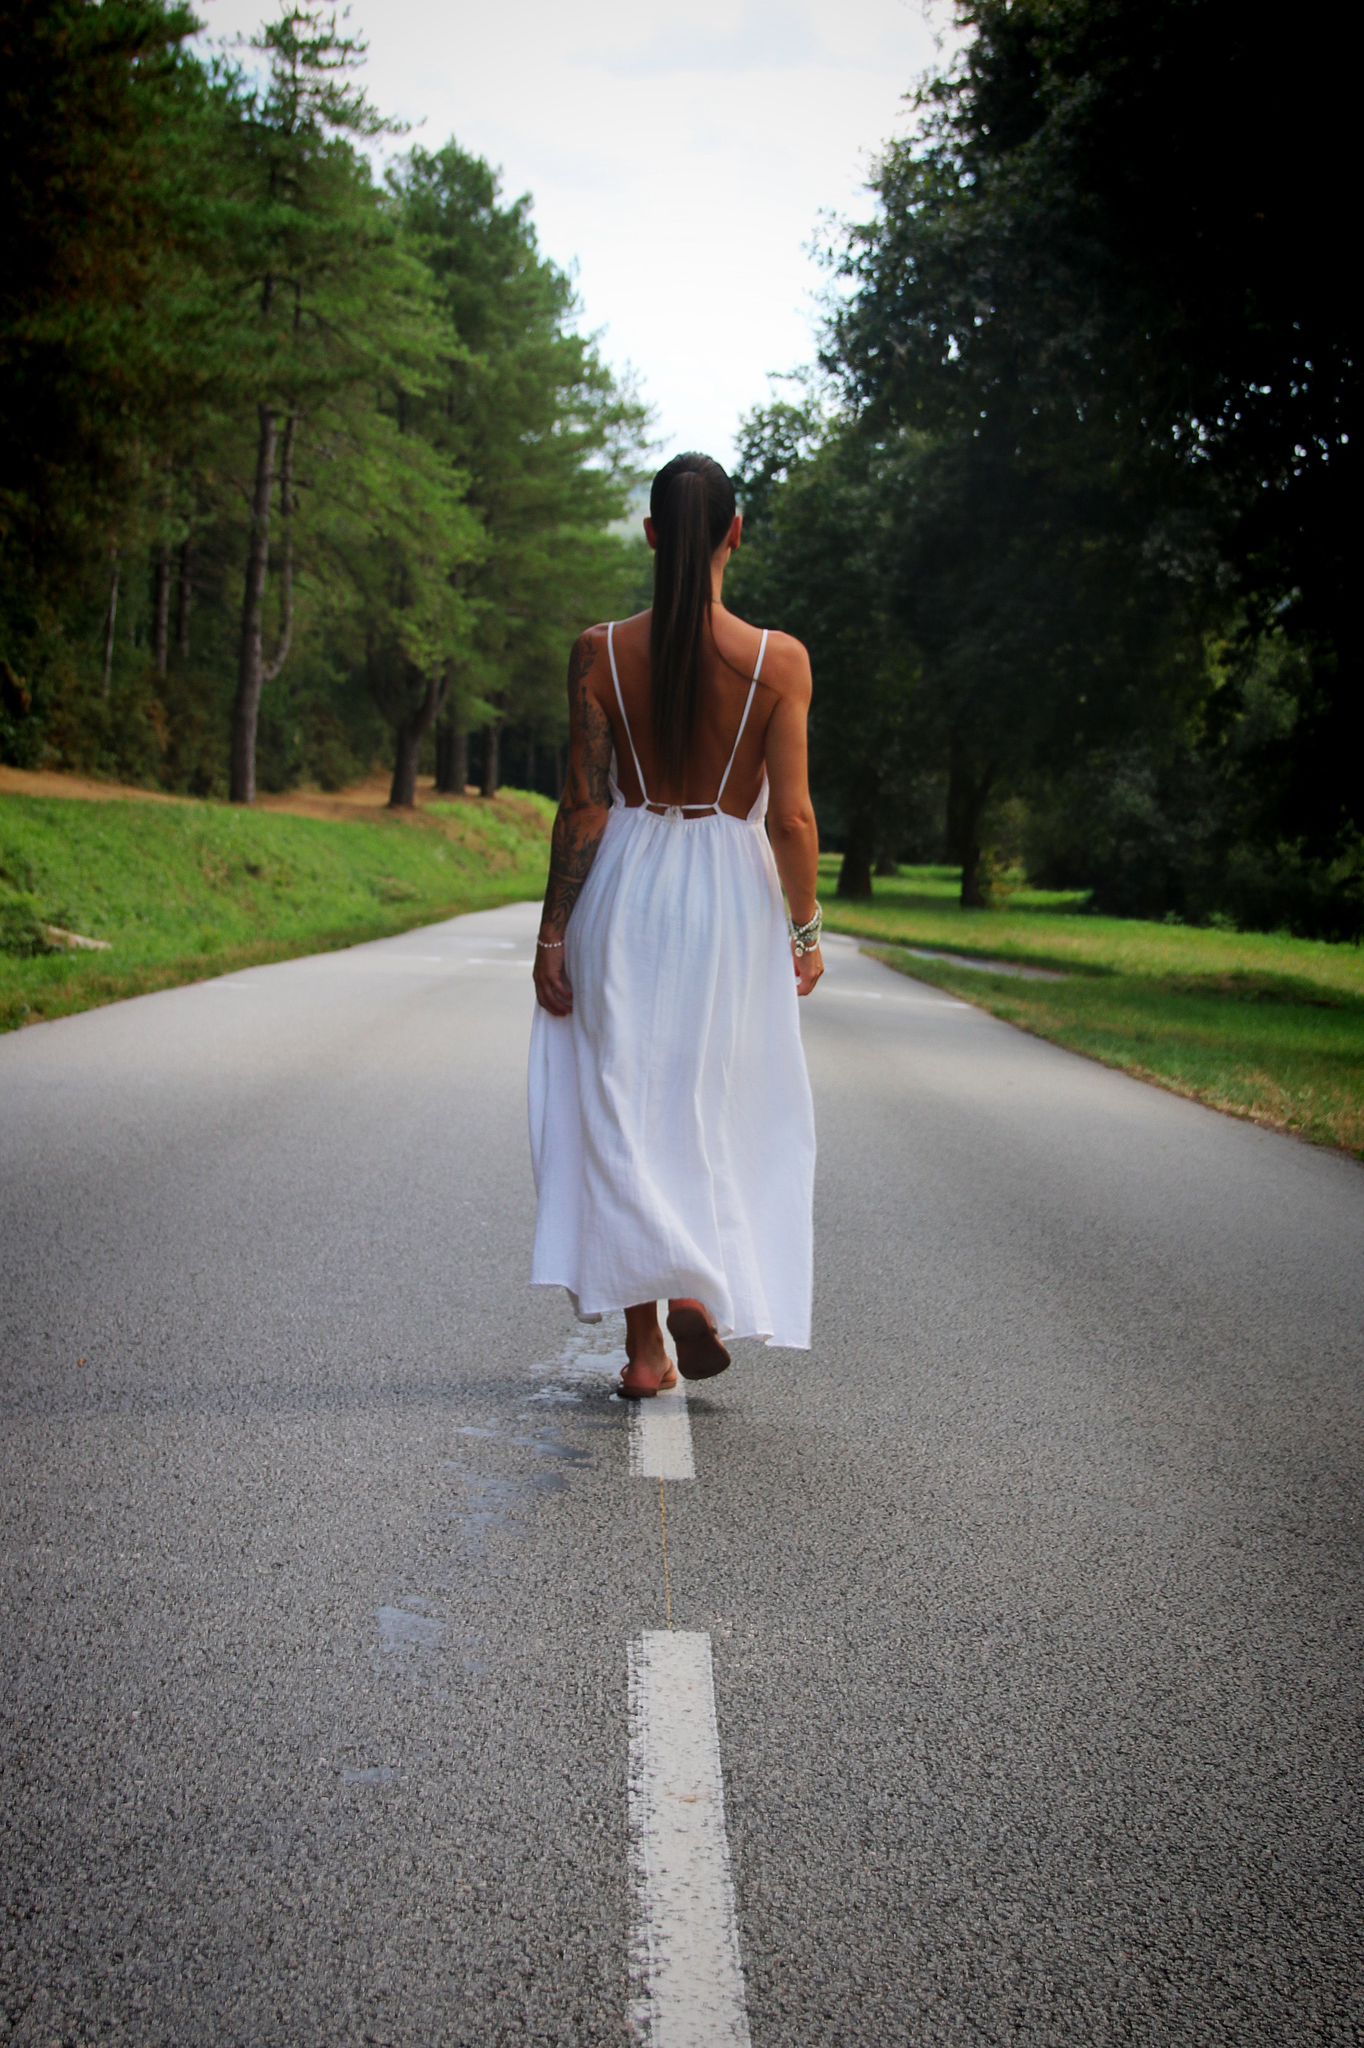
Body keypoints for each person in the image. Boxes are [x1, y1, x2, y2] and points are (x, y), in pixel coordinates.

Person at [527, 451, 822, 1398]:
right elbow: (792, 819)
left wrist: (552, 932)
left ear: (651, 535)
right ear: (736, 534)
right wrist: (805, 931)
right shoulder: (779, 662)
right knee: (711, 1098)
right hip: (730, 896)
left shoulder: (598, 653)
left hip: (628, 881)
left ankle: (648, 1345)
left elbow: (581, 804)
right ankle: (700, 1276)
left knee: (624, 1102)